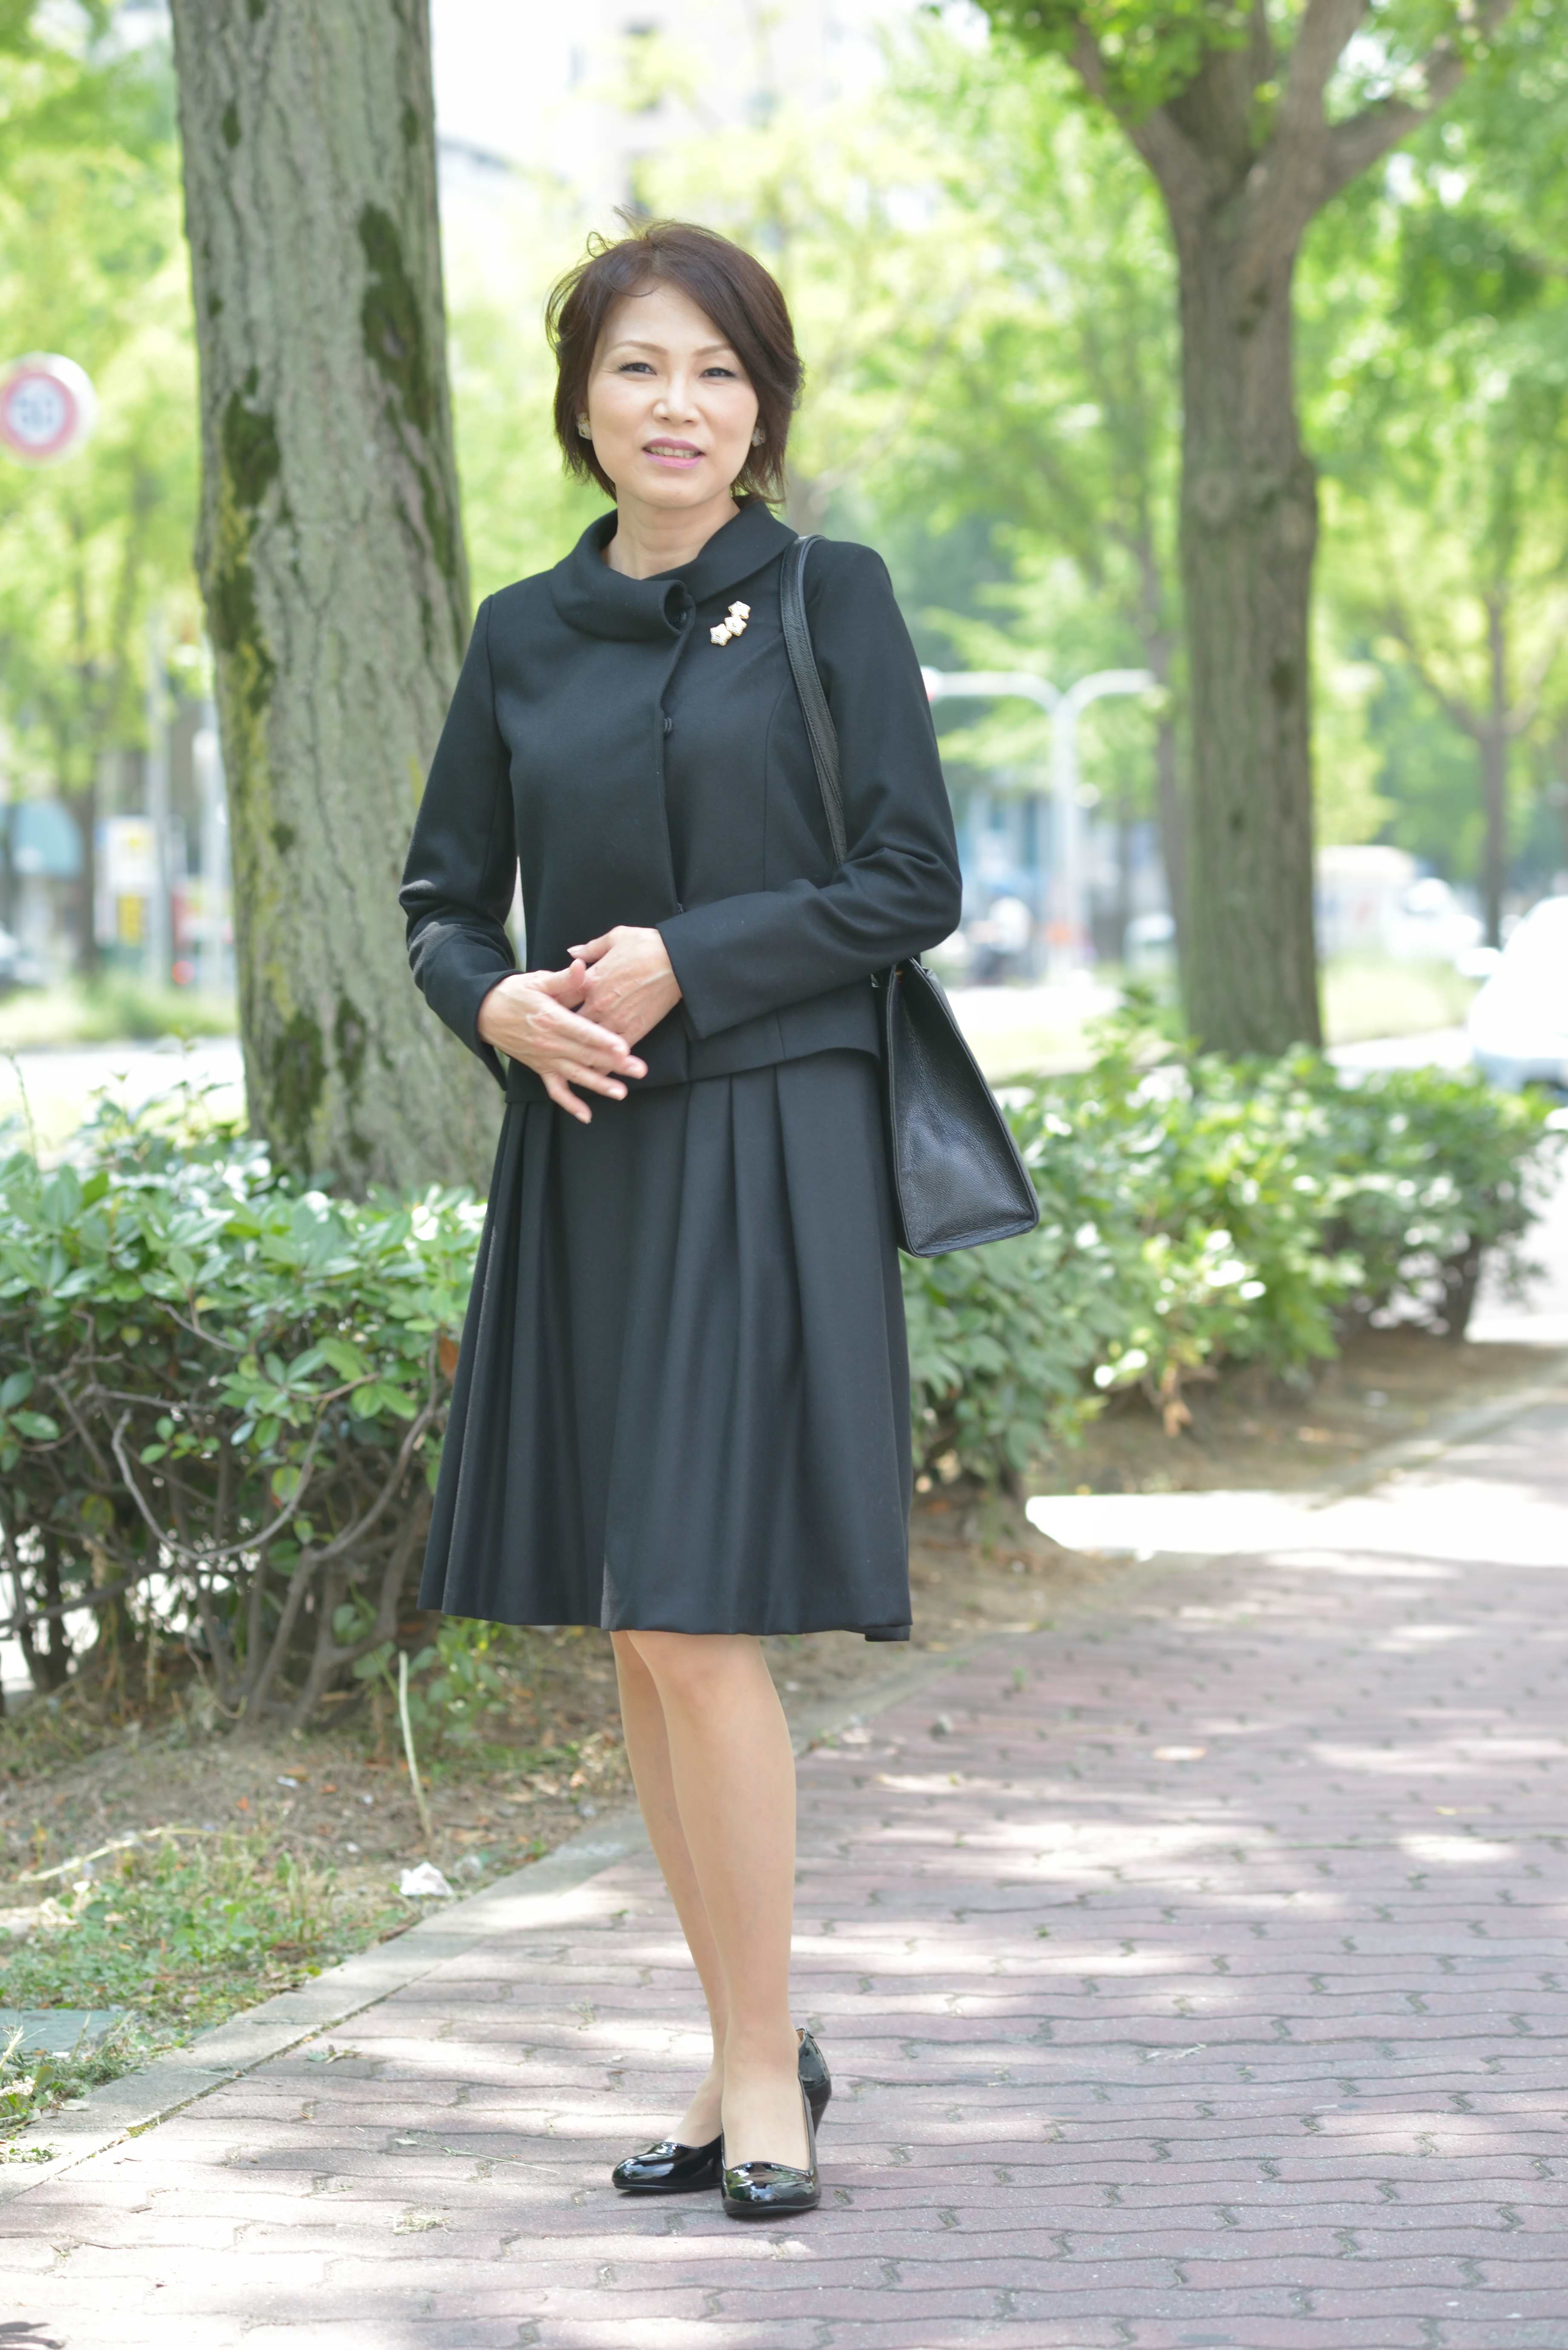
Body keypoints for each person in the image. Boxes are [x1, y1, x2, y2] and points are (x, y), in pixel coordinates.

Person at [399, 219, 961, 2218]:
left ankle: (767, 2066)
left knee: (696, 1619)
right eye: (641, 367)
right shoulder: (521, 634)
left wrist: (687, 959)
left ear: (762, 407)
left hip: (774, 1144)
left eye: (718, 372)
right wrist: (495, 1001)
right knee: (641, 1629)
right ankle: (741, 2052)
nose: (679, 406)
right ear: (582, 400)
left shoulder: (831, 598)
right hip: (593, 1156)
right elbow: (441, 897)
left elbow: (911, 880)